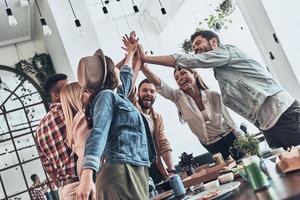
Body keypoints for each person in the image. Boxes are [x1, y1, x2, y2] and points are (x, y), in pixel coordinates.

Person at [138, 30, 300, 149]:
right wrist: (143, 67)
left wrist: (146, 58)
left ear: (214, 42)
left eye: (198, 44)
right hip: (267, 126)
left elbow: (190, 60)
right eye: (193, 47)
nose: (195, 49)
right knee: (288, 168)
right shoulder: (220, 75)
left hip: (283, 112)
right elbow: (163, 86)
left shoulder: (228, 51)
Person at [76, 39, 150, 199]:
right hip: (120, 171)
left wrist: (130, 53)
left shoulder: (115, 97)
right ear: (111, 73)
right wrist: (87, 173)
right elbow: (98, 133)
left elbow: (126, 77)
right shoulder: (106, 97)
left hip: (131, 167)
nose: (119, 68)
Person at [141, 64, 242, 160]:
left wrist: (243, 140)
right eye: (176, 78)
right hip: (210, 145)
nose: (180, 78)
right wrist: (144, 69)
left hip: (229, 138)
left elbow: (230, 121)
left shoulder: (213, 95)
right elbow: (161, 86)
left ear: (194, 74)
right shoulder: (178, 98)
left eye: (183, 73)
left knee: (246, 164)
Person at [35, 74, 79, 200]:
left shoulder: (39, 130)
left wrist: (63, 186)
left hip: (66, 191)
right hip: (87, 183)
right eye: (67, 89)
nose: (72, 92)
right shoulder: (71, 113)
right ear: (55, 95)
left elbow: (49, 169)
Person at [129, 78, 176, 184]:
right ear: (138, 93)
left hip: (155, 167)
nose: (148, 94)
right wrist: (137, 63)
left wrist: (171, 170)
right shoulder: (132, 111)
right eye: (144, 90)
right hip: (137, 169)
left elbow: (163, 142)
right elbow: (128, 90)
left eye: (152, 91)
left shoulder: (157, 118)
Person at [60, 82, 91, 177]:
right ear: (75, 99)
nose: (90, 93)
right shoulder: (84, 119)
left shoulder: (73, 128)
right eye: (85, 91)